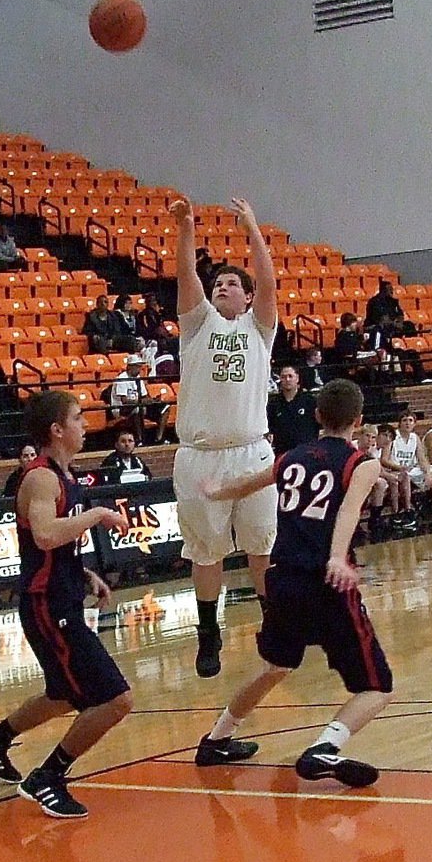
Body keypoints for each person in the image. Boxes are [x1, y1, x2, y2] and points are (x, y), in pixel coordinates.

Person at [194, 379, 394, 788]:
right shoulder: (362, 463)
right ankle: (326, 746)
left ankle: (217, 739)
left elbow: (247, 484)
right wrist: (338, 556)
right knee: (377, 686)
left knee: (276, 666)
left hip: (282, 579)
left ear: (318, 416)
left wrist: (216, 492)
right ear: (358, 421)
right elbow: (348, 513)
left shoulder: (291, 457)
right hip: (325, 583)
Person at [0, 390, 132, 818]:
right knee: (115, 699)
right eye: (78, 417)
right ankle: (48, 778)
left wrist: (85, 573)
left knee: (61, 695)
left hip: (63, 596)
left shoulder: (66, 476)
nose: (85, 424)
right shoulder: (41, 477)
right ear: (56, 430)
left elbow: (54, 547)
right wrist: (96, 516)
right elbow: (43, 534)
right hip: (46, 605)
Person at [169, 194, 278, 678]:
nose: (222, 287)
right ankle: (208, 632)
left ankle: (274, 621)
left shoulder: (260, 328)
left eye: (232, 283)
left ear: (247, 296)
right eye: (219, 283)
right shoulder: (197, 326)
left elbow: (269, 279)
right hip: (202, 455)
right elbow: (185, 277)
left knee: (262, 544)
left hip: (253, 453)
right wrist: (186, 227)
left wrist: (252, 226)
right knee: (206, 548)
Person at [389, 410, 432, 520]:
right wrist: (400, 468)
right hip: (396, 470)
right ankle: (407, 510)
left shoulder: (415, 437)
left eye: (410, 420)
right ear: (399, 423)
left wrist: (428, 472)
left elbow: (422, 459)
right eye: (404, 420)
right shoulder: (393, 437)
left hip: (411, 469)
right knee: (405, 476)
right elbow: (385, 460)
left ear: (414, 423)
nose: (407, 423)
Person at [108, 353, 169, 444]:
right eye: (137, 366)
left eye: (140, 366)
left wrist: (152, 400)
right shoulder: (122, 378)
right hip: (121, 408)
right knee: (137, 408)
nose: (139, 369)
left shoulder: (138, 378)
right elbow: (124, 400)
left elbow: (144, 396)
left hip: (139, 404)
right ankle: (139, 439)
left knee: (165, 407)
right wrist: (141, 401)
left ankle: (159, 438)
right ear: (130, 367)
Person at [266, 365, 319, 455]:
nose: (287, 379)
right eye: (283, 377)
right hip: (282, 454)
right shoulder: (273, 404)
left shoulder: (310, 401)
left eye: (290, 376)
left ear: (297, 378)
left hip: (307, 454)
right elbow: (269, 430)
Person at [374, 422, 416, 528]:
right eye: (385, 435)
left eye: (390, 437)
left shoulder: (382, 448)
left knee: (404, 476)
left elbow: (381, 467)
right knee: (393, 480)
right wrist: (391, 474)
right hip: (372, 476)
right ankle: (394, 513)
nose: (387, 439)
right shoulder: (371, 448)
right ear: (377, 435)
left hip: (381, 473)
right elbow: (378, 467)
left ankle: (407, 510)